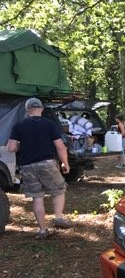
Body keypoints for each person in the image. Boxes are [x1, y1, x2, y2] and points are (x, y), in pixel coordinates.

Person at [7, 97, 72, 239]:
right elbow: (60, 147)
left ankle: (42, 230)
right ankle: (58, 217)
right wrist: (65, 163)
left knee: (37, 197)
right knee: (59, 190)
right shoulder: (50, 124)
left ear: (27, 110)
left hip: (27, 166)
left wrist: (20, 145)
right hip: (47, 164)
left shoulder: (19, 126)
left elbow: (11, 148)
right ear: (42, 109)